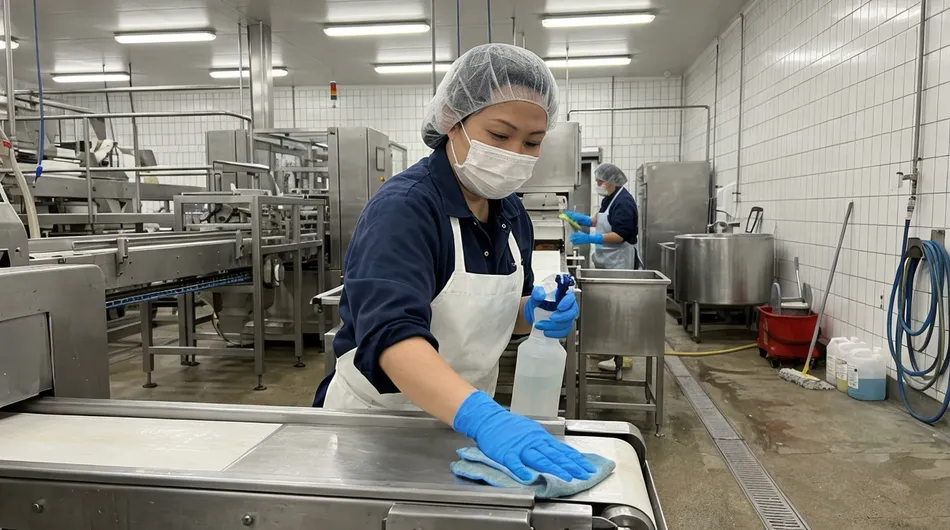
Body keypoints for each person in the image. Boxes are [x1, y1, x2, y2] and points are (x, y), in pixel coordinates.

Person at [313, 43, 595, 483]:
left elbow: (501, 316)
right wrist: (487, 419)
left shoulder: (510, 211)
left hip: (461, 422)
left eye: (533, 142)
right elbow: (391, 338)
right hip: (378, 426)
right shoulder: (405, 209)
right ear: (452, 120)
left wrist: (532, 313)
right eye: (500, 136)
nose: (516, 153)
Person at [564, 163, 640, 372]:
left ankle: (622, 357)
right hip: (608, 259)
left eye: (600, 181)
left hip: (619, 261)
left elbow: (621, 235)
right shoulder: (609, 199)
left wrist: (591, 237)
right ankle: (608, 347)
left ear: (612, 181)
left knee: (619, 308)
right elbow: (599, 220)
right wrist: (581, 219)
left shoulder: (624, 202)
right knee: (608, 307)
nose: (597, 184)